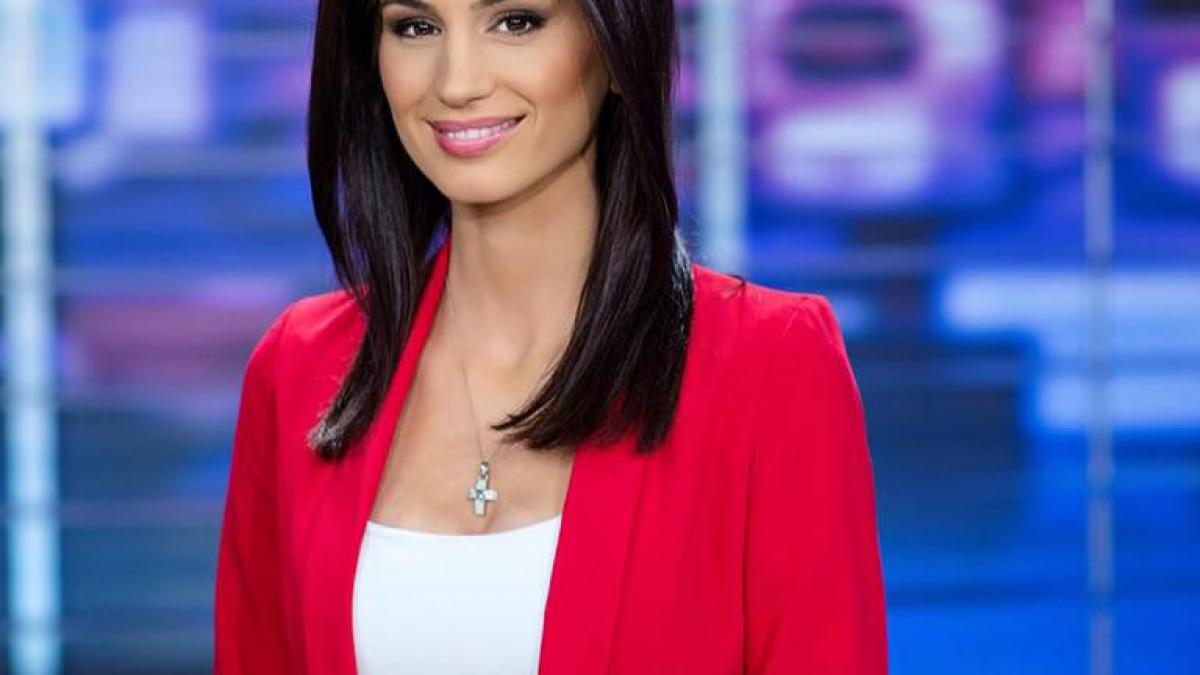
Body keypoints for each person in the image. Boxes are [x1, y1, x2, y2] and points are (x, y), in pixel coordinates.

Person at [213, 0, 888, 672]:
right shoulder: (299, 367)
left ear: (616, 48)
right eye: (416, 27)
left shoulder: (770, 365)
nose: (457, 82)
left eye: (517, 21)